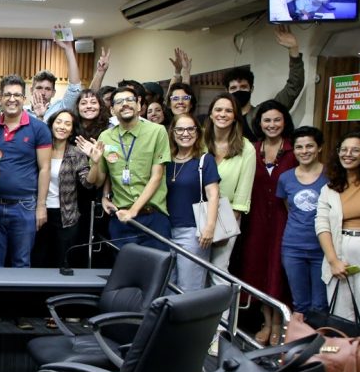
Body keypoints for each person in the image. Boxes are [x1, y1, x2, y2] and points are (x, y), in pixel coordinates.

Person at [82, 85, 171, 251]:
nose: (125, 104)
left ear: (139, 105)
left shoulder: (157, 132)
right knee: (125, 273)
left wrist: (133, 211)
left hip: (152, 216)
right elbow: (100, 180)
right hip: (120, 218)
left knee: (155, 273)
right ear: (112, 110)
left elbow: (157, 176)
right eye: (119, 102)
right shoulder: (106, 136)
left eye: (130, 100)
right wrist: (95, 162)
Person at [316, 130, 360, 332]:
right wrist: (333, 261)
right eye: (344, 149)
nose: (348, 154)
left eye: (356, 150)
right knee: (341, 318)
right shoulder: (329, 188)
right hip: (339, 251)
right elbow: (322, 226)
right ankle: (345, 361)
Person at [241, 100, 297, 345]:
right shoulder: (251, 149)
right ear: (259, 123)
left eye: (277, 120)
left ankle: (280, 323)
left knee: (280, 269)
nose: (272, 125)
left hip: (286, 220)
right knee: (257, 269)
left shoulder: (295, 149)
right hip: (256, 221)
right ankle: (266, 321)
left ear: (284, 122)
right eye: (267, 120)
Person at [0, 75, 50, 268]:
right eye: (7, 95)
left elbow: (45, 168)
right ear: (0, 98)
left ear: (24, 98)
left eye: (17, 95)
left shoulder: (39, 128)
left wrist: (41, 206)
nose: (12, 99)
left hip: (25, 207)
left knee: (21, 262)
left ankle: (18, 300)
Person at [164, 114, 220, 292]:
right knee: (166, 286)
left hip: (193, 232)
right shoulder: (164, 161)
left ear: (197, 132)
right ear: (172, 132)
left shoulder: (205, 160)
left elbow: (213, 194)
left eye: (190, 129)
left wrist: (209, 226)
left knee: (189, 288)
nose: (185, 133)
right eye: (180, 129)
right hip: (164, 230)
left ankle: (189, 321)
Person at [32, 110, 94, 270]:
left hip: (66, 215)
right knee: (38, 260)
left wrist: (96, 162)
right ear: (51, 124)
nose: (62, 127)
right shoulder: (38, 149)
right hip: (37, 212)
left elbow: (87, 183)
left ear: (72, 130)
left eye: (68, 124)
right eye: (58, 122)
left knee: (62, 262)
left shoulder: (76, 153)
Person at [202, 94, 255, 278]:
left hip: (227, 212)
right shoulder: (199, 141)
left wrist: (228, 223)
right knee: (196, 268)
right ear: (210, 114)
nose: (222, 114)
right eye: (218, 109)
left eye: (228, 110)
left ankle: (220, 308)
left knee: (218, 270)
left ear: (235, 116)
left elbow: (243, 190)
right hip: (197, 210)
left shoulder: (246, 147)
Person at [277, 126, 329, 315]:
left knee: (320, 305)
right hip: (293, 247)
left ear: (319, 148)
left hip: (322, 249)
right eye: (299, 147)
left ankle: (320, 343)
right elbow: (289, 209)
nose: (304, 151)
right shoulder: (285, 178)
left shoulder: (331, 175)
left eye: (310, 146)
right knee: (300, 304)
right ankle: (303, 343)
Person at [221, 25, 303, 138]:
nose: (239, 91)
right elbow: (188, 107)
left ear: (252, 88)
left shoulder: (262, 113)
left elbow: (293, 87)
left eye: (243, 87)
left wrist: (294, 50)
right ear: (227, 91)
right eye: (234, 88)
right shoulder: (220, 119)